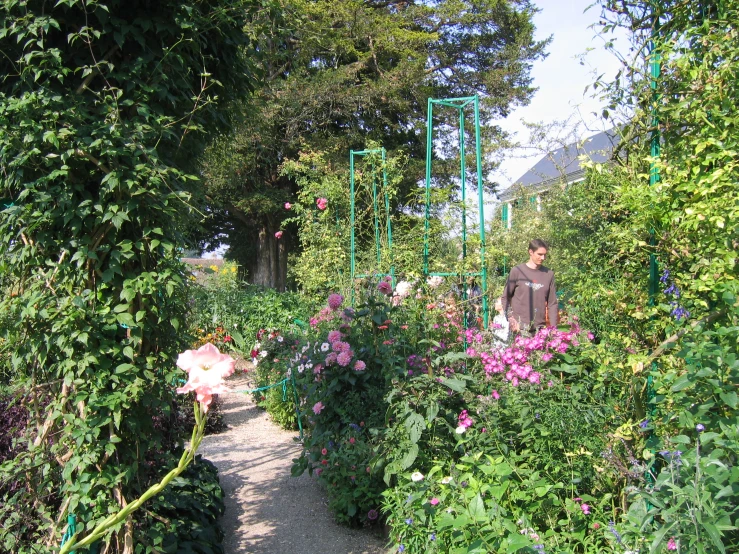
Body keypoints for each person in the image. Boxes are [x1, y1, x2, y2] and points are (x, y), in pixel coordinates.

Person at [502, 239, 558, 334]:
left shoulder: (549, 274)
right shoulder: (517, 271)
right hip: (519, 329)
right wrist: (510, 318)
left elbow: (552, 303)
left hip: (539, 330)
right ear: (531, 252)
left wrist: (553, 328)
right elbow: (505, 297)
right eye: (539, 254)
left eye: (545, 255)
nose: (543, 258)